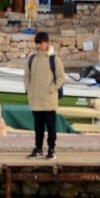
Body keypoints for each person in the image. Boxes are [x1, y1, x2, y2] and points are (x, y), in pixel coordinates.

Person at [24, 31, 64, 159]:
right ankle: (38, 148)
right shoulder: (32, 59)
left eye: (40, 43)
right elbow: (26, 76)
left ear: (47, 43)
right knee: (38, 127)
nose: (38, 46)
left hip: (49, 100)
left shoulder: (55, 60)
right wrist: (29, 89)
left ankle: (51, 149)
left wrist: (52, 89)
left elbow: (61, 78)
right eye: (37, 43)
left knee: (51, 127)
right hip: (36, 100)